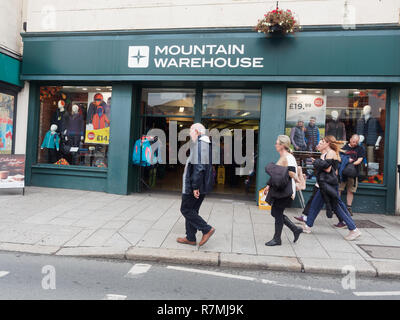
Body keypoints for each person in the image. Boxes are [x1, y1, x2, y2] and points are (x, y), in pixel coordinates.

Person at [301, 136, 362, 241]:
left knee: (337, 207)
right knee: (315, 205)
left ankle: (354, 229)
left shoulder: (331, 153)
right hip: (323, 184)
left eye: (323, 142)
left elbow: (328, 168)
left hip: (328, 185)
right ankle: (307, 226)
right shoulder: (324, 154)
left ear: (328, 143)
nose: (320, 143)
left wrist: (316, 162)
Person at [177, 123, 215, 247]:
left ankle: (206, 229)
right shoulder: (204, 144)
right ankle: (191, 237)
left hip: (194, 186)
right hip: (199, 185)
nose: (189, 133)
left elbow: (199, 167)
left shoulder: (200, 145)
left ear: (197, 132)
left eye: (191, 131)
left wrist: (195, 187)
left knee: (186, 209)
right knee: (192, 210)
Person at [263, 135, 303, 246]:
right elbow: (278, 175)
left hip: (286, 190)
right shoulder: (283, 156)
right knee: (275, 212)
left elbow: (292, 173)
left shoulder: (288, 157)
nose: (275, 145)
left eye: (277, 143)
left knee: (277, 213)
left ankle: (277, 239)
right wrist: (268, 186)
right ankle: (295, 229)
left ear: (282, 145)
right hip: (281, 189)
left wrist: (296, 178)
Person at [339, 134, 365, 217]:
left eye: (357, 142)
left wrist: (350, 166)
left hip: (353, 173)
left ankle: (348, 208)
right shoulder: (344, 148)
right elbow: (339, 158)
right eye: (353, 141)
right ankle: (337, 207)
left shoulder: (360, 149)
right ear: (350, 139)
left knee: (351, 191)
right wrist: (346, 162)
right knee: (339, 189)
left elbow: (360, 160)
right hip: (342, 173)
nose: (355, 143)